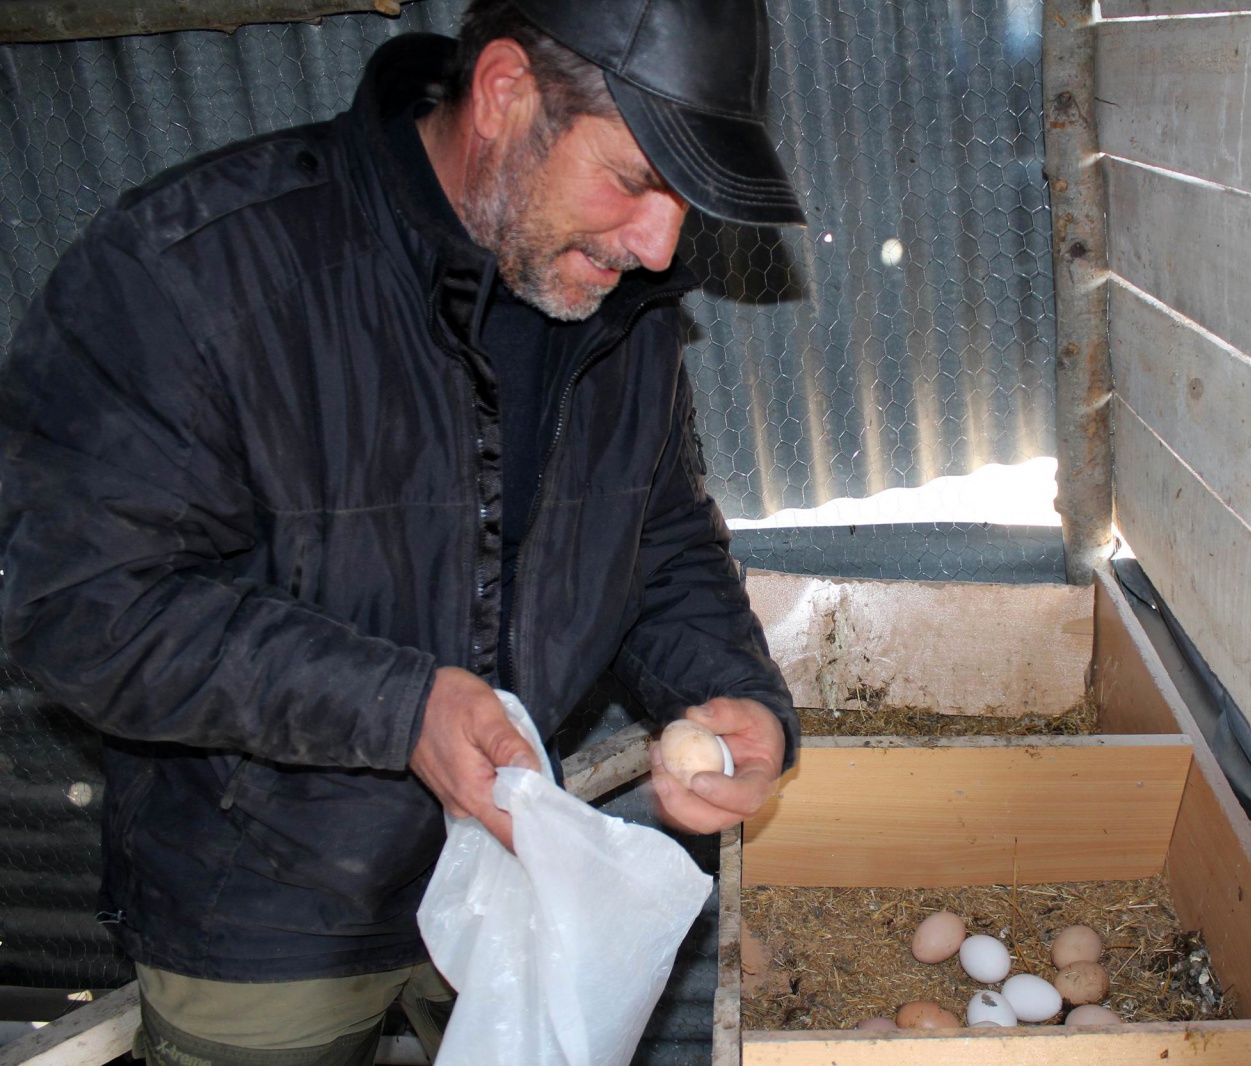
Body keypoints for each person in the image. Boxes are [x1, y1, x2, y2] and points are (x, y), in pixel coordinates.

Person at [0, 0, 806, 1061]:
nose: (662, 245)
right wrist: (399, 707)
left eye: (683, 198)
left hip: (508, 875)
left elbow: (655, 535)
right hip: (263, 907)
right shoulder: (190, 271)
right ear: (507, 93)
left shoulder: (620, 304)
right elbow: (78, 606)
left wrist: (733, 689)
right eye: (637, 178)